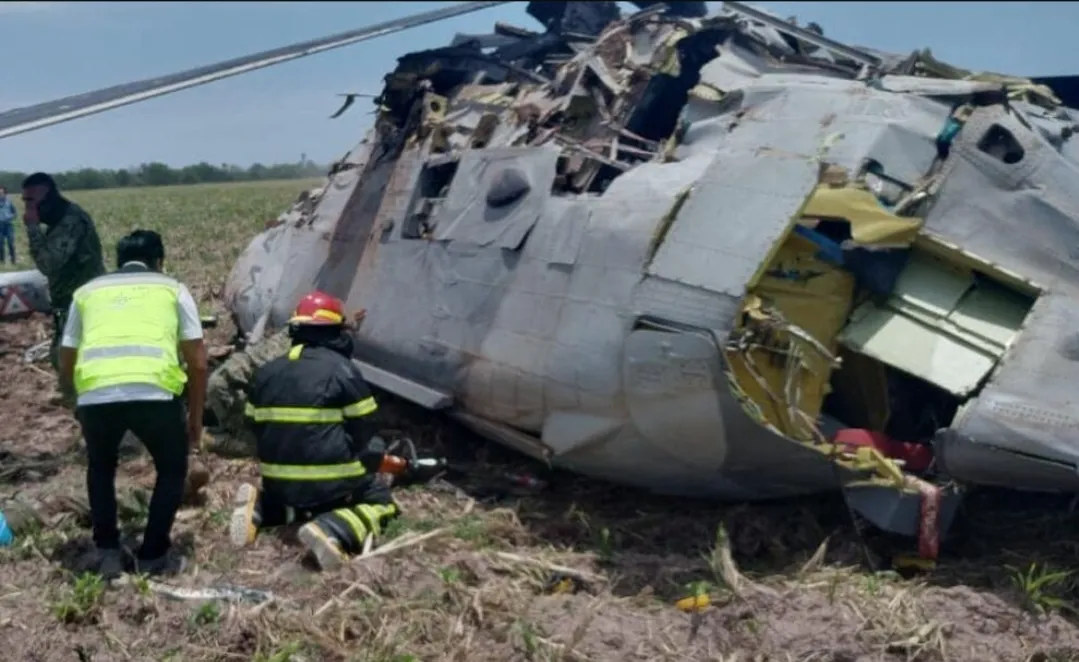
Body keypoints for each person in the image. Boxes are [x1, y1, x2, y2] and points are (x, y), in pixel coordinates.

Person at [57, 229, 208, 579]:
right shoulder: (173, 289)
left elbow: (66, 357)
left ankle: (107, 548)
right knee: (171, 469)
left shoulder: (87, 292)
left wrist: (76, 398)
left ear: (117, 260)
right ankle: (153, 554)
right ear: (160, 261)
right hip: (155, 394)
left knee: (101, 467)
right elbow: (198, 362)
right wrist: (195, 416)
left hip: (97, 395)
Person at [229, 290, 398, 571]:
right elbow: (366, 430)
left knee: (302, 502)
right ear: (335, 332)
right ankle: (332, 530)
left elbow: (252, 425)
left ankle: (261, 509)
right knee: (380, 501)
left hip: (277, 482)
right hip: (330, 483)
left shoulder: (267, 371)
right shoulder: (342, 370)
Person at [22, 172, 106, 371]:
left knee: (69, 360)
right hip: (69, 299)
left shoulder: (70, 221)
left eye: (32, 202)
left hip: (80, 299)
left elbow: (47, 263)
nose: (28, 208)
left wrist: (33, 228)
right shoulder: (60, 220)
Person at [0, 186, 17, 264]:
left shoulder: (9, 202)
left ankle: (13, 260)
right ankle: (2, 261)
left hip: (8, 225)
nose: (0, 195)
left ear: (5, 194)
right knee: (1, 243)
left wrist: (10, 217)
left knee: (10, 242)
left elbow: (15, 213)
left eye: (2, 193)